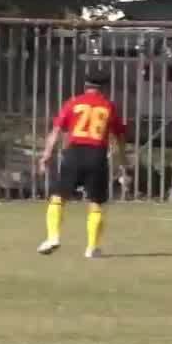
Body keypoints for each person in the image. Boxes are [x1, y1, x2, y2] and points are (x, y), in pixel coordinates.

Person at [37, 68, 127, 259]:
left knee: (58, 197)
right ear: (104, 88)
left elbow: (56, 130)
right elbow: (119, 136)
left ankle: (53, 237)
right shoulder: (109, 106)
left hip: (74, 153)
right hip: (97, 155)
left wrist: (46, 154)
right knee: (96, 203)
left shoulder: (73, 103)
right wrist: (123, 162)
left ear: (86, 85)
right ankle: (92, 248)